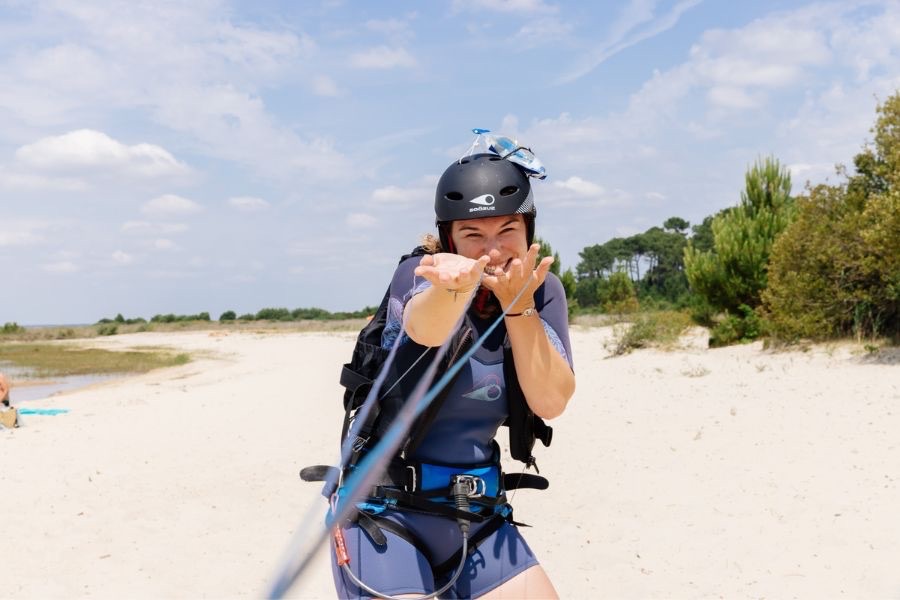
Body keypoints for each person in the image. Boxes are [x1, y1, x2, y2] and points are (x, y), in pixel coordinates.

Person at [330, 150, 576, 599]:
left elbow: (551, 401)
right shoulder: (421, 274)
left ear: (529, 232)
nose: (493, 250)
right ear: (449, 239)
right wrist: (453, 290)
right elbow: (424, 328)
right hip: (382, 512)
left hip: (477, 514)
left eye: (507, 231)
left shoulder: (544, 294)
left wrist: (518, 305)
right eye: (472, 234)